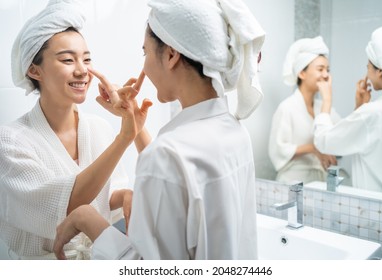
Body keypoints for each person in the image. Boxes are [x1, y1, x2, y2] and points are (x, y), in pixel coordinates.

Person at [53, 0, 265, 260]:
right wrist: (134, 127)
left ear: (171, 54)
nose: (144, 68)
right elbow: (180, 183)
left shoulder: (168, 154)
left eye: (146, 53)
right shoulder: (235, 131)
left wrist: (86, 219)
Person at [0, 0, 152, 259]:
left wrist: (124, 194)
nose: (82, 71)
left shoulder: (98, 128)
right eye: (68, 60)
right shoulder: (10, 141)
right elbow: (64, 206)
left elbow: (103, 197)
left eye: (87, 59)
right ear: (33, 70)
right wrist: (125, 137)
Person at [313, 26, 382, 193]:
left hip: (376, 210)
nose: (367, 74)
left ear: (381, 72)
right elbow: (360, 137)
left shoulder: (373, 113)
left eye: (368, 67)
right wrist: (360, 107)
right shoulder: (373, 111)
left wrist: (326, 101)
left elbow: (324, 141)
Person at [268, 36, 341, 184]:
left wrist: (360, 105)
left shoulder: (324, 107)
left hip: (320, 182)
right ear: (302, 73)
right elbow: (278, 149)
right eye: (320, 69)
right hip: (292, 182)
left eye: (328, 70)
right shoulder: (287, 107)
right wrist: (313, 148)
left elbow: (342, 134)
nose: (326, 75)